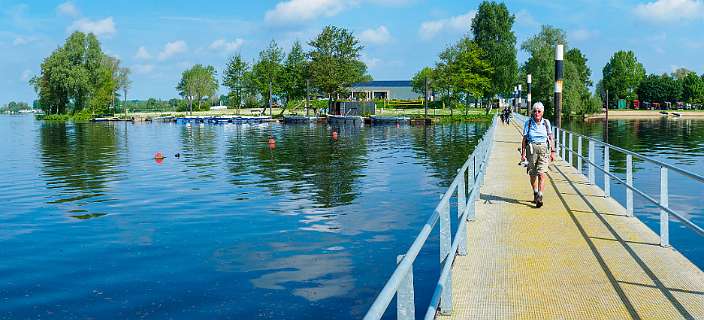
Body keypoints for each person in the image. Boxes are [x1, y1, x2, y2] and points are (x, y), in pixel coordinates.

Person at [520, 102, 555, 207]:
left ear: (542, 112)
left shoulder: (546, 123)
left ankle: (540, 196)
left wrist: (553, 151)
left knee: (542, 173)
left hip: (544, 149)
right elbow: (524, 139)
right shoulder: (528, 123)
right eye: (535, 111)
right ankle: (535, 192)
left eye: (539, 111)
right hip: (531, 149)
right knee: (533, 173)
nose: (537, 113)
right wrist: (523, 154)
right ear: (532, 112)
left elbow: (550, 137)